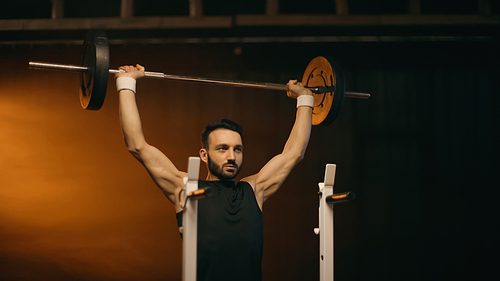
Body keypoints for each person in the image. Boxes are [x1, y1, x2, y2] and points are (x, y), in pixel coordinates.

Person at [116, 64, 314, 281]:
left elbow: (294, 153)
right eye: (222, 148)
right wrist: (127, 83)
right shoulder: (186, 188)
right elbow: (137, 145)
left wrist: (304, 98)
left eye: (237, 149)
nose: (231, 156)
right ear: (204, 154)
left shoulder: (254, 190)